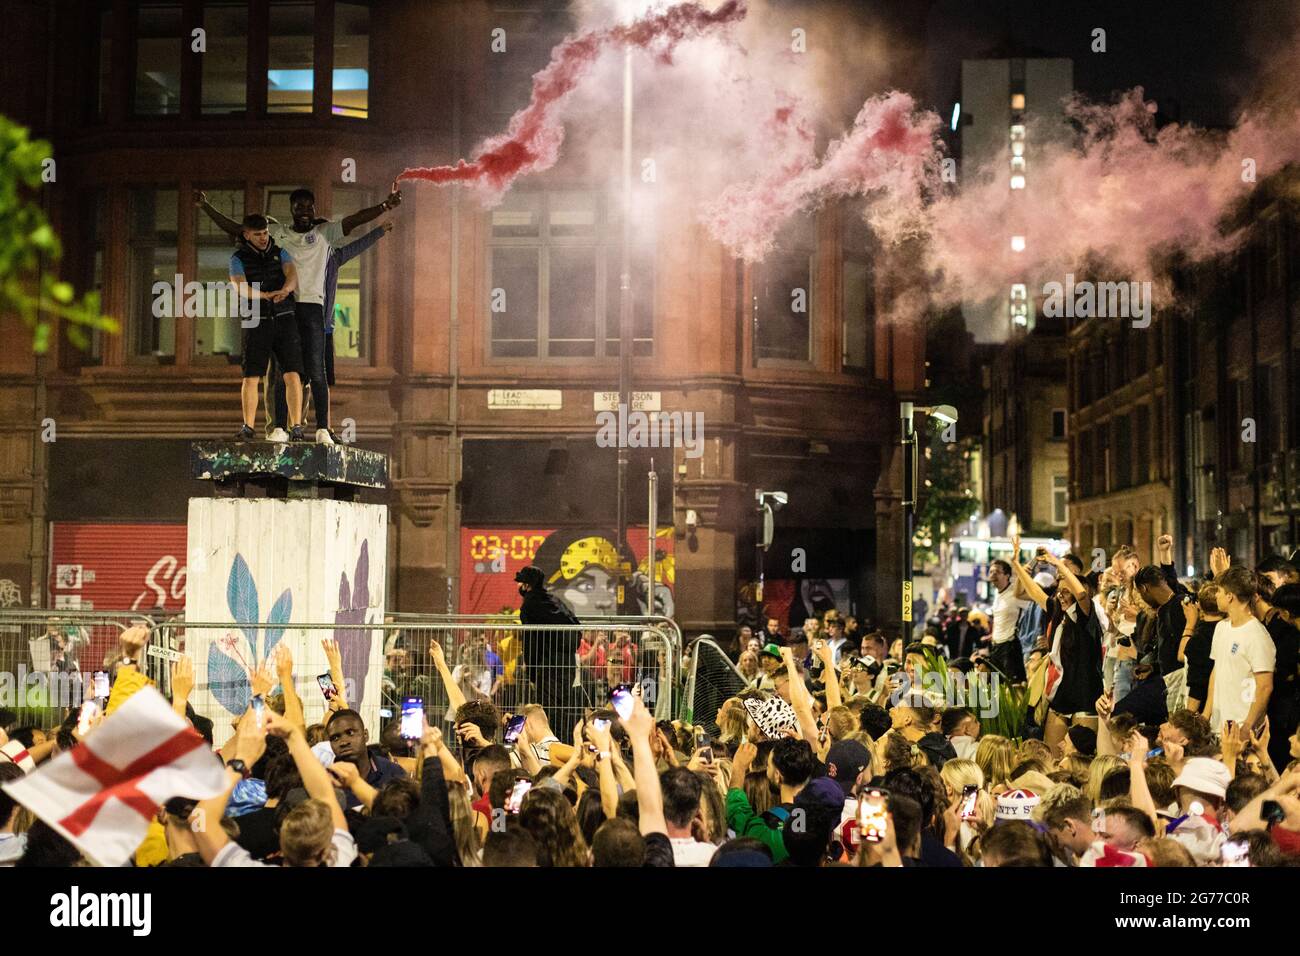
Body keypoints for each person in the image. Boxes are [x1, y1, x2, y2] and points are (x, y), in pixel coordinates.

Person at [197, 185, 400, 443]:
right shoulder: (279, 235)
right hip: (287, 308)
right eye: (299, 207)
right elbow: (239, 229)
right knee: (286, 369)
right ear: (291, 210)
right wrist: (205, 207)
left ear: (315, 209)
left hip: (313, 308)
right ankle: (280, 426)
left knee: (316, 369)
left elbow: (354, 221)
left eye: (309, 207)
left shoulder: (325, 233)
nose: (304, 211)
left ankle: (323, 428)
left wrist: (384, 207)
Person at [228, 214, 306, 441]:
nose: (263, 238)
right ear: (246, 235)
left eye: (265, 233)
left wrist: (286, 289)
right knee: (251, 375)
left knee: (292, 373)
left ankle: (297, 426)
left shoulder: (279, 251)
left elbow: (292, 273)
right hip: (256, 318)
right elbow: (240, 286)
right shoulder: (238, 257)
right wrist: (264, 295)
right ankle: (248, 426)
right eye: (257, 234)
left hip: (284, 316)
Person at [1205, 567, 1275, 735]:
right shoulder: (1221, 628)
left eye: (1219, 591)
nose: (1216, 596)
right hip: (1219, 727)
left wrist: (1247, 727)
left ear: (1230, 597)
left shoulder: (1257, 635)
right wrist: (1206, 715)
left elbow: (1265, 686)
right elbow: (1217, 671)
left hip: (1241, 727)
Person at [515, 565, 581, 723]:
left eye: (520, 582)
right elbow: (576, 627)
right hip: (567, 667)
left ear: (527, 584)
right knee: (561, 712)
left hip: (546, 668)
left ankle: (548, 746)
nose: (518, 586)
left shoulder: (529, 605)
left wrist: (531, 670)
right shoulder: (555, 601)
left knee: (546, 714)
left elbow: (531, 640)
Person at [986, 559, 1031, 683]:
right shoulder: (997, 593)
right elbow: (997, 619)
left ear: (1007, 575)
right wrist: (992, 636)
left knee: (1012, 686)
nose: (993, 574)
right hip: (996, 646)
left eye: (997, 572)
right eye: (991, 572)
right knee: (995, 686)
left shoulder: (1016, 594)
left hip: (1010, 646)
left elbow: (1035, 603)